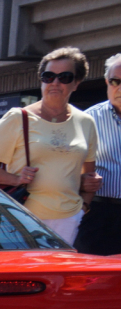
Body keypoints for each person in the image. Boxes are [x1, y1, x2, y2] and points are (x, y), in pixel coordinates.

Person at [0, 47, 99, 245]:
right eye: (48, 76)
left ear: (76, 83)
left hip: (69, 220)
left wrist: (83, 208)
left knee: (59, 275)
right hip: (22, 217)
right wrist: (16, 179)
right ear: (41, 80)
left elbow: (90, 176)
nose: (55, 83)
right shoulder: (18, 118)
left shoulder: (86, 122)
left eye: (65, 77)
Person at [76, 53, 121, 255]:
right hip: (100, 212)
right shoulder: (88, 119)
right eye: (115, 81)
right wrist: (81, 180)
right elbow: (71, 165)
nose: (119, 87)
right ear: (106, 82)